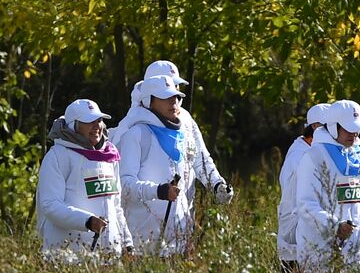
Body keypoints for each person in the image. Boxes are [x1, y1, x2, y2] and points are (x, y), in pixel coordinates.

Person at [116, 74, 204, 256]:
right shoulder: (135, 135)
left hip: (178, 247)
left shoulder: (181, 135)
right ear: (149, 101)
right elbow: (124, 186)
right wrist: (159, 191)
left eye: (176, 96)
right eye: (165, 97)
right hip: (144, 248)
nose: (174, 100)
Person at [37, 98, 134, 258]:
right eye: (89, 121)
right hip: (68, 258)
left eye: (99, 120)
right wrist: (87, 221)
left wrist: (126, 243)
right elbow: (50, 205)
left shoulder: (109, 155)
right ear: (73, 125)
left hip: (108, 258)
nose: (97, 126)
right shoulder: (57, 156)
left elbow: (115, 205)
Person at [295, 99, 360, 273]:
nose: (354, 133)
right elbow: (306, 205)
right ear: (332, 126)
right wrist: (334, 226)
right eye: (348, 128)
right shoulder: (313, 156)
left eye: (357, 127)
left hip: (357, 257)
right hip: (320, 257)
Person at [141, 60, 232, 203]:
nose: (174, 91)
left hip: (183, 217)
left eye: (176, 85)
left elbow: (200, 158)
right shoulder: (135, 126)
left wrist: (216, 184)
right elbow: (127, 183)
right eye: (168, 85)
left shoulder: (186, 120)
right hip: (146, 220)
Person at [277, 102, 331, 273]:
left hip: (308, 233)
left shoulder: (313, 152)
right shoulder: (299, 156)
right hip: (295, 235)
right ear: (315, 127)